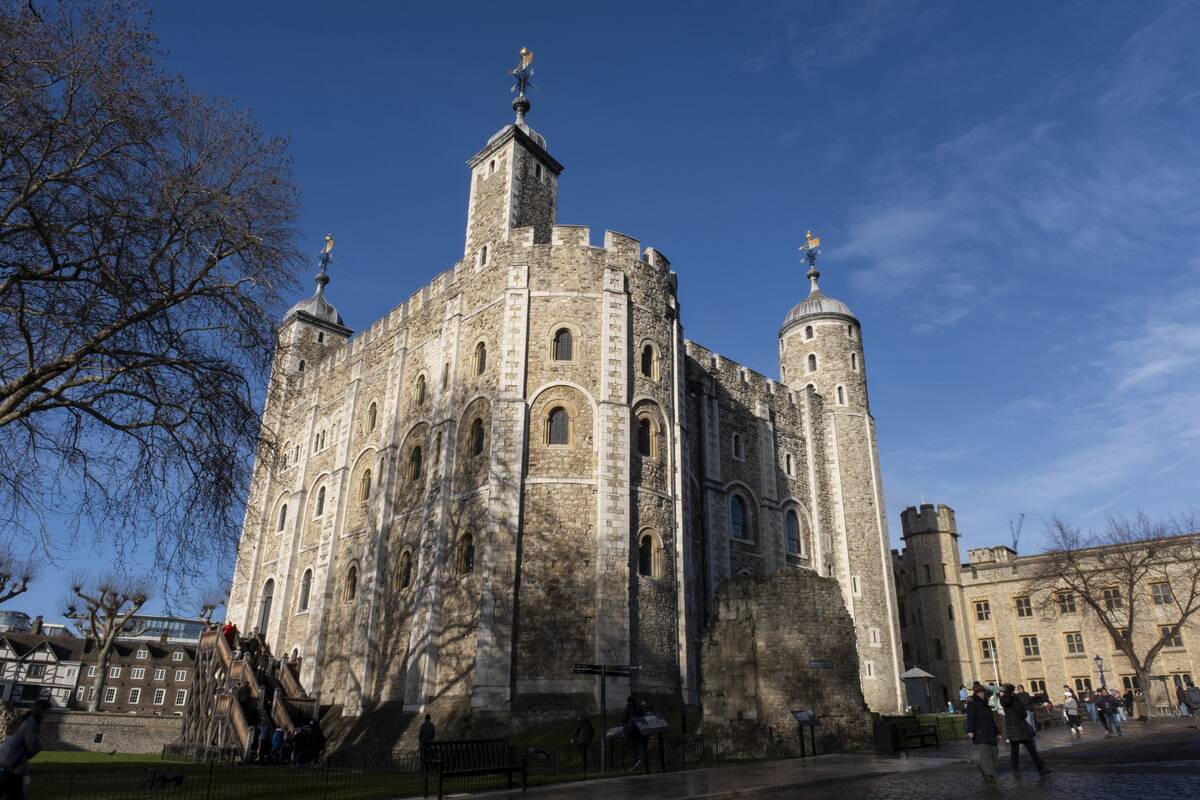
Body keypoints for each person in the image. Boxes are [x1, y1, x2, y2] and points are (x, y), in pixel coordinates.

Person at [0, 699, 51, 799]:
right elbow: (32, 747)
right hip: (12, 766)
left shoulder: (24, 720)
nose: (47, 715)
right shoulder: (31, 723)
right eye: (47, 712)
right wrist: (40, 744)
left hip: (7, 762)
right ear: (42, 711)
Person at [1000, 684, 1050, 776]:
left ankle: (1041, 768)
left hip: (1021, 725)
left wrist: (1023, 713)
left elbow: (1022, 707)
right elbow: (1006, 702)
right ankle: (1016, 770)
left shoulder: (1015, 697)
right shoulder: (1003, 698)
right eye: (1010, 690)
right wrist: (1008, 693)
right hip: (1013, 727)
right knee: (1015, 750)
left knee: (1031, 748)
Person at [965, 683, 1001, 782]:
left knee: (994, 752)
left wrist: (998, 732)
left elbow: (992, 720)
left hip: (990, 732)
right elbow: (970, 718)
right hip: (979, 732)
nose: (983, 694)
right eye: (981, 692)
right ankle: (988, 774)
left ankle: (986, 769)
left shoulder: (986, 704)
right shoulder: (972, 704)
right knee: (985, 754)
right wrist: (970, 731)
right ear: (977, 693)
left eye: (983, 692)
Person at [623, 695, 644, 771]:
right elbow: (643, 716)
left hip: (630, 729)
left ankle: (635, 761)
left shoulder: (628, 708)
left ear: (629, 701)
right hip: (639, 729)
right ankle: (639, 759)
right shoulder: (639, 708)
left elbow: (623, 718)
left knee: (630, 746)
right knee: (639, 745)